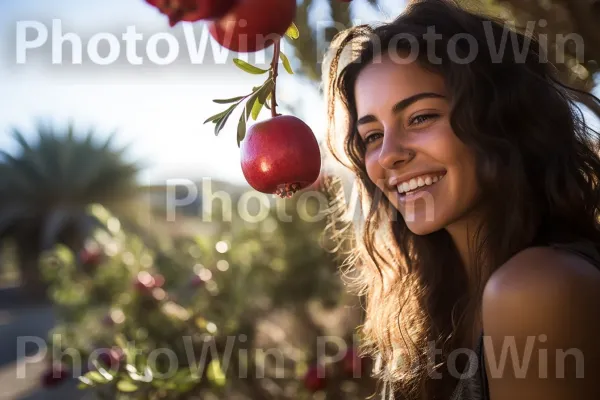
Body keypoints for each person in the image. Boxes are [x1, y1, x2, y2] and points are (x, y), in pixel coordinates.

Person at [321, 0, 600, 399]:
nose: (388, 155)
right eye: (372, 136)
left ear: (501, 116)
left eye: (420, 117)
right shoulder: (435, 304)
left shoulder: (538, 288)